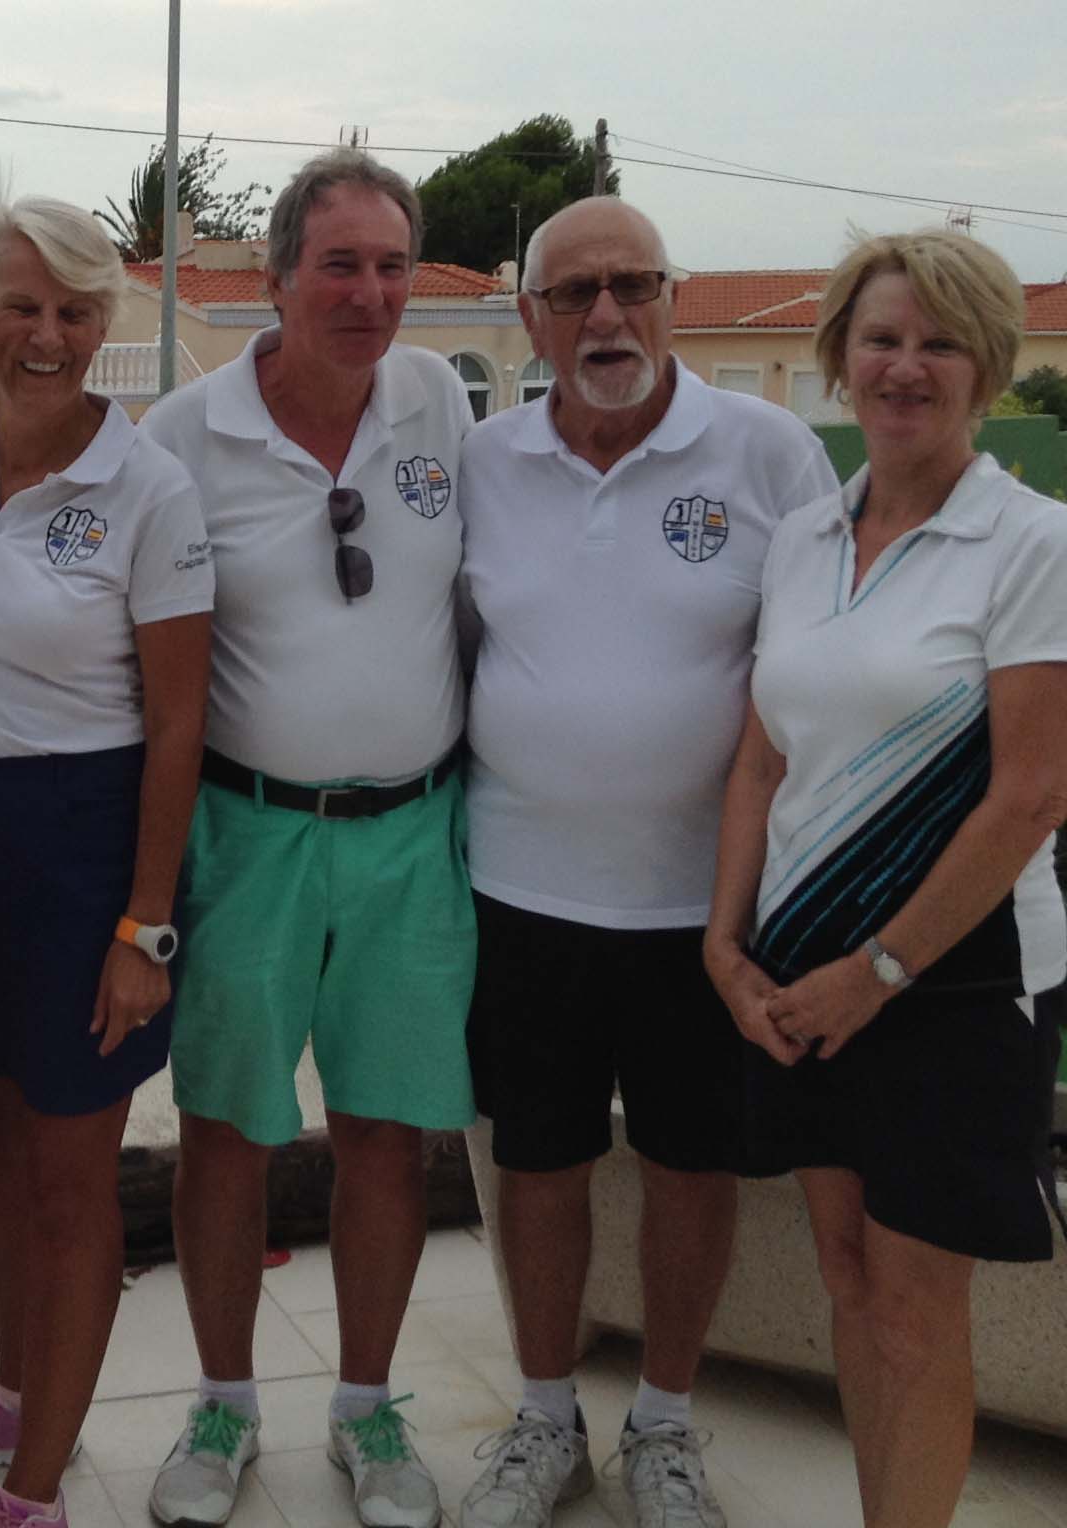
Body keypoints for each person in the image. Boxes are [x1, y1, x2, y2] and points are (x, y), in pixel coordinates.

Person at [454, 196, 838, 1528]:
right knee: (536, 1161)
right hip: (520, 888)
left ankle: (665, 1426)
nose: (607, 316)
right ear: (531, 318)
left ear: (672, 297)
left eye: (633, 285)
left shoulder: (771, 453)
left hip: (709, 907)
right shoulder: (484, 460)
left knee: (692, 1165)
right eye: (575, 294)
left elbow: (818, 665)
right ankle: (545, 1419)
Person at [705, 229, 1067, 1528]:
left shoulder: (1032, 541)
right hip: (801, 975)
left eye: (939, 343)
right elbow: (762, 757)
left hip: (956, 982)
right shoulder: (804, 534)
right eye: (881, 339)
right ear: (839, 358)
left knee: (915, 1309)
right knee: (849, 1279)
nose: (906, 367)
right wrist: (724, 947)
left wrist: (881, 971)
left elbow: (1031, 795)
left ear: (987, 368)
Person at [136, 149, 474, 1528]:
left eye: (392, 267)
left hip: (414, 834)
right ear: (277, 279)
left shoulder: (440, 399)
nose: (369, 294)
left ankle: (366, 1409)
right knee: (227, 1132)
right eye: (340, 265)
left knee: (387, 1136)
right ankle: (223, 1406)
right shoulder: (184, 435)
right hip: (249, 835)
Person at [0, 192, 213, 1528]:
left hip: (88, 847)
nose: (47, 335)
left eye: (74, 310)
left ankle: (37, 1489)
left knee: (71, 1181)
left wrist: (145, 927)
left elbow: (179, 724)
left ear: (104, 322)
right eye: (22, 305)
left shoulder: (148, 487)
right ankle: (13, 1391)